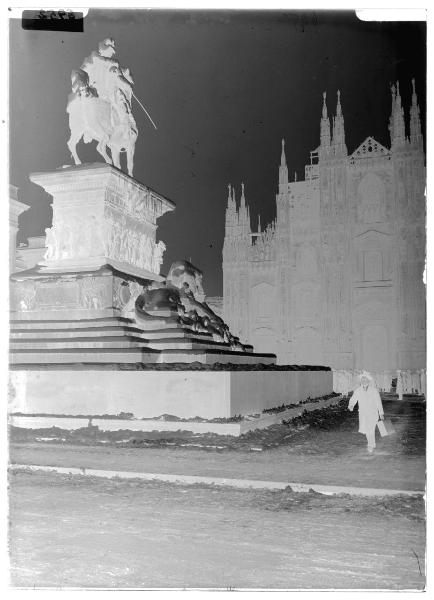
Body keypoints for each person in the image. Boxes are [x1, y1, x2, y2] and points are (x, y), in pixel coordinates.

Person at [348, 371, 385, 453]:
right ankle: (372, 444)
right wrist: (351, 405)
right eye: (362, 379)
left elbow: (378, 402)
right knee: (367, 430)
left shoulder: (374, 390)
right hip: (363, 414)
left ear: (368, 380)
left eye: (365, 379)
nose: (363, 381)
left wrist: (381, 413)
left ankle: (370, 445)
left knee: (370, 429)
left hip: (373, 413)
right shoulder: (358, 390)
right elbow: (353, 399)